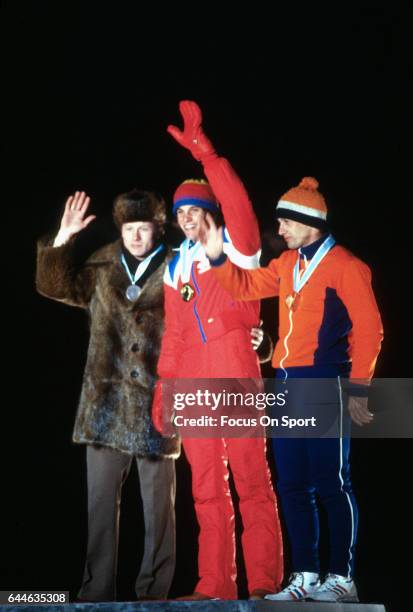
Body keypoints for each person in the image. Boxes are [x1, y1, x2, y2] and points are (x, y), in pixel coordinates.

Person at [198, 176, 384, 602]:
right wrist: (217, 258)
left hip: (325, 383)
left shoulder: (347, 266)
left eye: (285, 222)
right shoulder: (287, 264)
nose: (278, 229)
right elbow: (245, 287)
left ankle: (341, 577)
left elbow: (371, 331)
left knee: (331, 481)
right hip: (285, 383)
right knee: (292, 484)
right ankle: (304, 576)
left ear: (308, 222)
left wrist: (358, 389)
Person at [153, 101, 283, 601]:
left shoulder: (239, 249)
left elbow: (238, 202)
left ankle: (266, 584)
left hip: (236, 379)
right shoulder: (175, 268)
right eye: (181, 212)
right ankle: (215, 587)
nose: (187, 219)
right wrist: (164, 390)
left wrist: (207, 156)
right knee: (205, 491)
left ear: (209, 213)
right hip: (193, 385)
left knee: (252, 484)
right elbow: (176, 334)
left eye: (194, 211)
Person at [36, 189, 180, 602]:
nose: (136, 236)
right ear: (121, 229)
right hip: (104, 404)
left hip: (158, 403)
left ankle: (154, 596)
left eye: (144, 228)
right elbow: (54, 286)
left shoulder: (179, 265)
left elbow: (212, 314)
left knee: (160, 514)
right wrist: (62, 238)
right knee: (100, 509)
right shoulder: (102, 264)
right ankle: (96, 594)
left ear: (158, 228)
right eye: (129, 228)